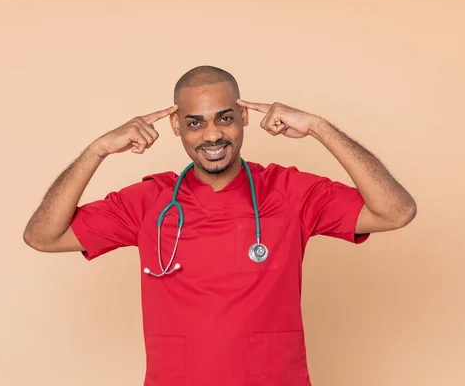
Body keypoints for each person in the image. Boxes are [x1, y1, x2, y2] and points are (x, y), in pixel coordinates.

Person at [23, 65, 416, 386]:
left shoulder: (289, 191)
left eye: (224, 119)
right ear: (176, 126)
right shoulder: (148, 202)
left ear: (243, 116)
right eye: (195, 123)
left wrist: (319, 127)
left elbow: (395, 211)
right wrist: (98, 150)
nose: (212, 135)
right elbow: (43, 236)